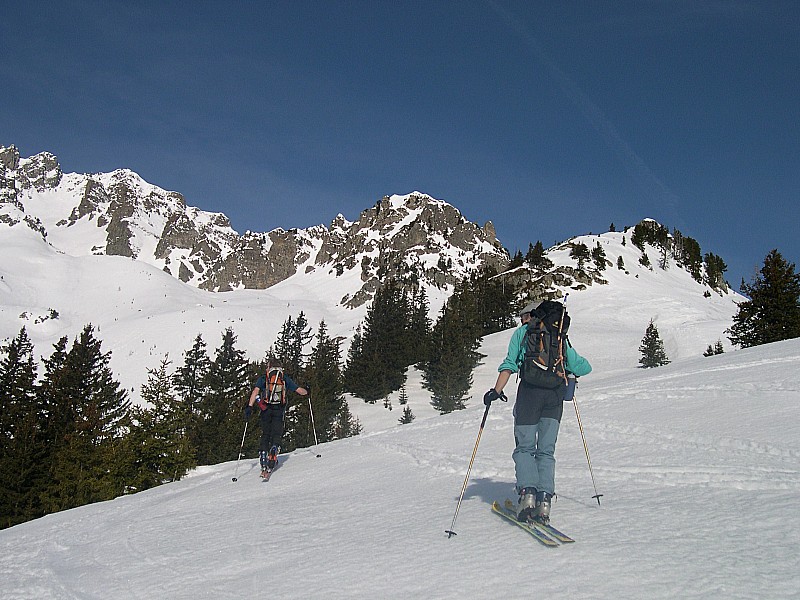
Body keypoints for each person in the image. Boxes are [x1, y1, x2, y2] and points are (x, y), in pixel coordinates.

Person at [484, 299, 591, 523]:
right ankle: (543, 502)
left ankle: (527, 495)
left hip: (529, 395)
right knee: (546, 450)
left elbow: (510, 364)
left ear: (529, 315)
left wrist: (496, 390)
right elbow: (582, 366)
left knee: (524, 448)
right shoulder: (558, 335)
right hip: (554, 397)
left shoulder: (523, 333)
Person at [245, 358, 308, 474]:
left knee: (266, 433)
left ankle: (263, 453)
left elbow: (255, 391)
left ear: (269, 367)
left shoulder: (264, 378)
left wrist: (249, 406)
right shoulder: (284, 378)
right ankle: (274, 449)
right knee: (276, 433)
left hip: (265, 409)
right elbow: (299, 391)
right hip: (279, 410)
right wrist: (307, 391)